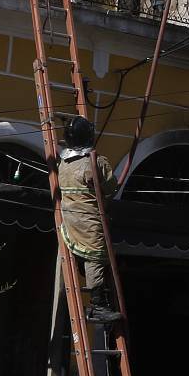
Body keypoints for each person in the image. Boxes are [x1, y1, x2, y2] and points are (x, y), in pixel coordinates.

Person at [57, 114, 117, 319]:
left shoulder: (63, 163)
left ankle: (94, 290)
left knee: (87, 255)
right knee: (97, 256)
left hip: (69, 220)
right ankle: (98, 305)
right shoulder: (96, 162)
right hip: (89, 220)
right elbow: (111, 187)